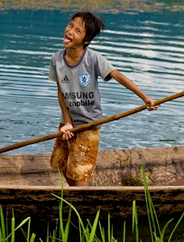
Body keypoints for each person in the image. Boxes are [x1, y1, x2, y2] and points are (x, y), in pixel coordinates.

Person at [49, 11, 158, 186]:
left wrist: (145, 98)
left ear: (86, 41)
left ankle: (81, 204)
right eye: (70, 25)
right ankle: (73, 196)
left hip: (88, 124)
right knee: (62, 164)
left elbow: (118, 76)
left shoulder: (93, 59)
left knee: (80, 173)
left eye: (78, 31)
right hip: (68, 123)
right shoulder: (56, 60)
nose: (70, 31)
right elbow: (60, 92)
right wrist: (67, 122)